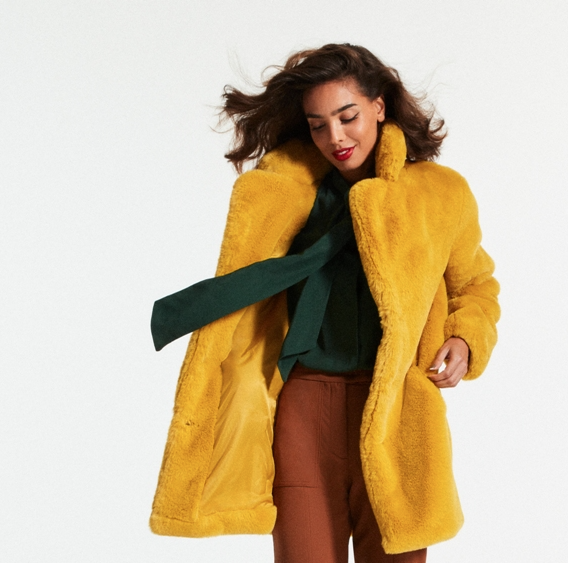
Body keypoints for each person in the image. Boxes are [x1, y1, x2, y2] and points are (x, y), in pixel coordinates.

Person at [148, 43, 500, 563]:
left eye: (347, 117)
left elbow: (476, 285)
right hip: (304, 409)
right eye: (318, 125)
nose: (335, 137)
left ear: (379, 106)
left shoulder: (440, 194)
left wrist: (466, 338)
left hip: (397, 413)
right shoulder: (284, 192)